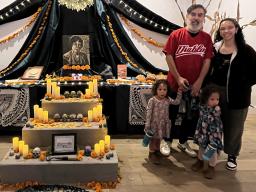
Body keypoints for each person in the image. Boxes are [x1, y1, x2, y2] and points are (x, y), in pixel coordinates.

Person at [162, 4, 213, 157]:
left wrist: (199, 82)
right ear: (187, 16)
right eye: (193, 14)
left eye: (200, 15)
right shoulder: (176, 35)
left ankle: (183, 142)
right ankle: (167, 140)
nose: (196, 18)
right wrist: (178, 78)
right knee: (171, 114)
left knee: (191, 116)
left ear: (203, 18)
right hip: (174, 84)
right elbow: (169, 56)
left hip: (195, 86)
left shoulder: (206, 38)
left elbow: (207, 61)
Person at [209, 18, 256, 171]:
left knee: (234, 128)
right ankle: (213, 150)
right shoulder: (214, 48)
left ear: (236, 29)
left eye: (230, 27)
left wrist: (243, 84)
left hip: (238, 96)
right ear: (219, 31)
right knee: (215, 125)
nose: (226, 31)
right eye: (223, 28)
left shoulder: (246, 50)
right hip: (216, 94)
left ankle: (231, 155)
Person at [144, 79, 182, 164]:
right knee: (153, 140)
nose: (162, 92)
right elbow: (149, 113)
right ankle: (151, 153)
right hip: (154, 124)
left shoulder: (167, 99)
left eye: (165, 90)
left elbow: (177, 102)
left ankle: (157, 151)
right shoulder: (152, 100)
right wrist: (147, 124)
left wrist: (179, 91)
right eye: (160, 89)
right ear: (155, 90)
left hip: (162, 124)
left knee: (159, 139)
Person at [191, 85, 223, 179]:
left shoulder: (216, 109)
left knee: (212, 151)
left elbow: (214, 121)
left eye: (217, 99)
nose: (215, 102)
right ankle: (200, 161)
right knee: (201, 148)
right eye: (212, 99)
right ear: (206, 99)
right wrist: (196, 96)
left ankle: (211, 167)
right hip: (202, 133)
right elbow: (195, 107)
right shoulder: (202, 106)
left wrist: (216, 138)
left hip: (213, 134)